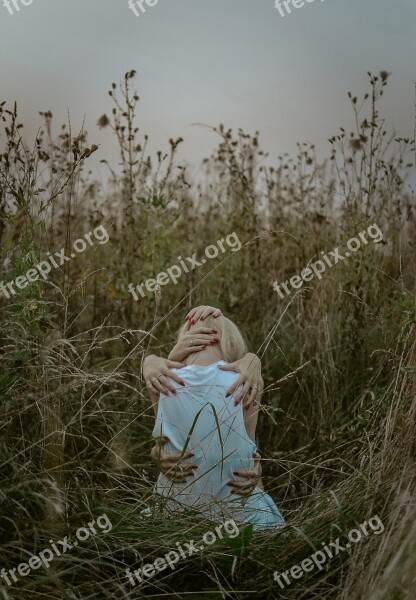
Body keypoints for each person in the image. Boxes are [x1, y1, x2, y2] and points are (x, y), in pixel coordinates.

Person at [143, 306, 285, 530]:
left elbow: (163, 445)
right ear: (230, 342)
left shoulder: (161, 381)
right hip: (238, 522)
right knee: (254, 490)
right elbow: (250, 457)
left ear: (184, 342)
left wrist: (154, 359)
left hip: (173, 518)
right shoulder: (245, 381)